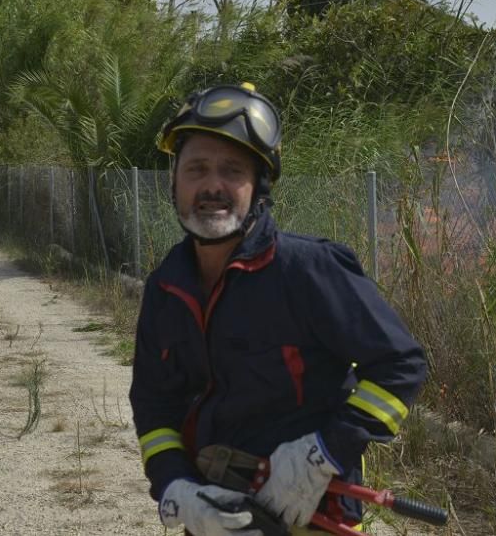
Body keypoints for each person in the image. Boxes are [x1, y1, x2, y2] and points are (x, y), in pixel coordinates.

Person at [129, 82, 427, 536]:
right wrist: (176, 488)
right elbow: (154, 403)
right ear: (174, 182)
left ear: (259, 186)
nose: (212, 185)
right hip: (215, 515)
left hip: (308, 513)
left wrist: (323, 454)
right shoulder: (165, 288)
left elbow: (400, 365)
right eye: (196, 169)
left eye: (232, 170)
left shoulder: (308, 270)